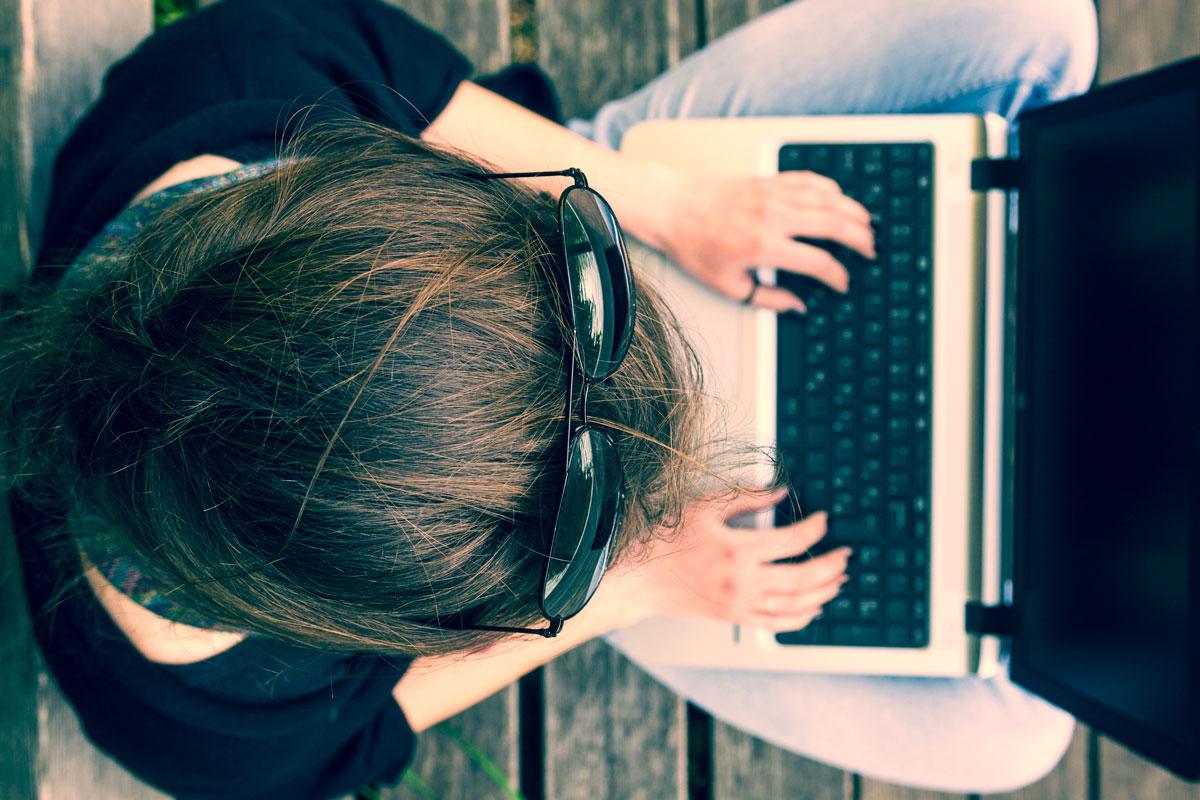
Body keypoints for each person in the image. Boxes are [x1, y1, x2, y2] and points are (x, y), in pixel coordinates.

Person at [1, 0, 1098, 797]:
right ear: (402, 619)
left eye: (589, 281)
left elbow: (427, 98)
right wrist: (632, 582)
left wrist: (667, 203)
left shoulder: (239, 72)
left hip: (649, 247)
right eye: (564, 545)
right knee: (1018, 739)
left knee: (1042, 28)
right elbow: (373, 725)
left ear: (385, 189)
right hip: (596, 552)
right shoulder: (218, 734)